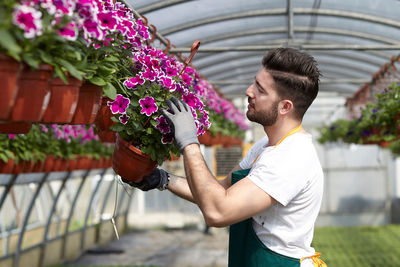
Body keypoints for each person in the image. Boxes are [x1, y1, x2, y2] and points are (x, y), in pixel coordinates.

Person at [129, 48, 327, 267]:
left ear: (285, 107)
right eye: (254, 82)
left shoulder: (292, 157)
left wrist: (189, 142)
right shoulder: (265, 146)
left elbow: (218, 211)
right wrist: (162, 179)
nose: (248, 91)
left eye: (260, 90)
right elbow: (219, 191)